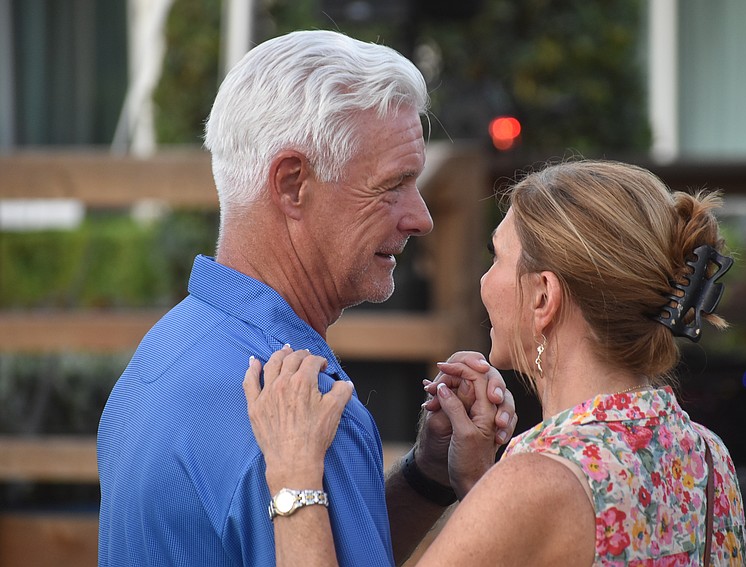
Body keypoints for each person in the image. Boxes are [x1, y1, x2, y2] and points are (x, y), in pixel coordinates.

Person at [97, 30, 517, 567]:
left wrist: (427, 475)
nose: (421, 217)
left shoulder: (161, 354)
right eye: (393, 185)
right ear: (293, 182)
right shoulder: (306, 408)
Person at [244, 159, 746, 566]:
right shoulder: (708, 457)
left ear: (543, 298)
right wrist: (479, 488)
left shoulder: (538, 481)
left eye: (497, 259)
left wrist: (294, 476)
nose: (483, 282)